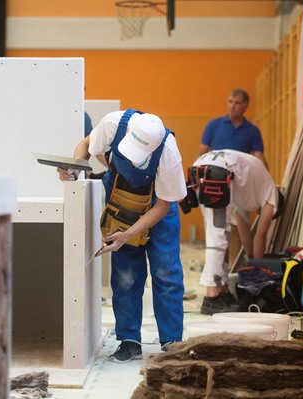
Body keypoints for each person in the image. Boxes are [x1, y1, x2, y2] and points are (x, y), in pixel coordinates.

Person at [57, 109, 186, 363]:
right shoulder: (113, 123)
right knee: (126, 274)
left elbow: (162, 206)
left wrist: (129, 233)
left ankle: (172, 341)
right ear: (128, 132)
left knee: (166, 273)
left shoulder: (169, 153)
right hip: (121, 200)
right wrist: (74, 170)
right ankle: (129, 341)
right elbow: (86, 145)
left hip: (157, 206)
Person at [187, 150, 281, 315]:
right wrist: (257, 267)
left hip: (202, 169)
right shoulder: (271, 194)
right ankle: (211, 297)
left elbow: (246, 236)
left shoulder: (247, 194)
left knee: (222, 235)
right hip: (218, 172)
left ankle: (221, 290)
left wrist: (249, 257)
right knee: (218, 236)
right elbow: (260, 236)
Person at [196, 89, 268, 168]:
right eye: (230, 102)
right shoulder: (213, 125)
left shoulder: (253, 131)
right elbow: (202, 152)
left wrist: (267, 178)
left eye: (237, 103)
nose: (232, 106)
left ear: (245, 106)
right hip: (215, 174)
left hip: (241, 175)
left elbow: (259, 157)